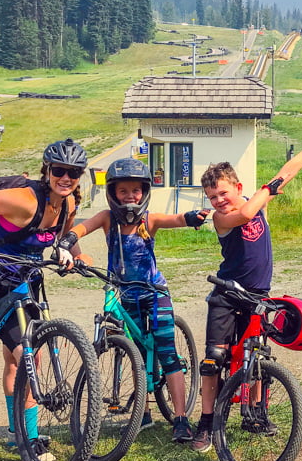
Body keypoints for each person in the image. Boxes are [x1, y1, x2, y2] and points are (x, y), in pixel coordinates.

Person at [190, 131, 302, 452]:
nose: (218, 201)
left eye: (222, 193)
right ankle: (207, 423)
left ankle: (254, 413)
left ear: (237, 187)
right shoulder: (222, 217)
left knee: (256, 354)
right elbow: (244, 214)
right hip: (227, 294)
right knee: (213, 359)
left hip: (257, 295)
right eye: (212, 196)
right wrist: (268, 190)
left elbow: (287, 172)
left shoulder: (259, 201)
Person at [54, 157, 209, 443]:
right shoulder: (106, 219)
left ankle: (181, 419)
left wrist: (191, 217)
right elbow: (80, 228)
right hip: (124, 295)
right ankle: (143, 412)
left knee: (167, 353)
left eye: (135, 191)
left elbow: (175, 219)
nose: (130, 197)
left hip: (154, 294)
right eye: (123, 191)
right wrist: (66, 243)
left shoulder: (149, 220)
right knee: (134, 354)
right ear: (112, 193)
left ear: (144, 192)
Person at [0, 138, 87, 447]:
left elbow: (63, 235)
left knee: (16, 361)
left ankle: (18, 433)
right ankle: (28, 439)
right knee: (30, 356)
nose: (66, 178)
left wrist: (77, 255)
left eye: (74, 172)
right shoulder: (25, 201)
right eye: (59, 170)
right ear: (47, 170)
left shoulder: (68, 202)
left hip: (26, 286)